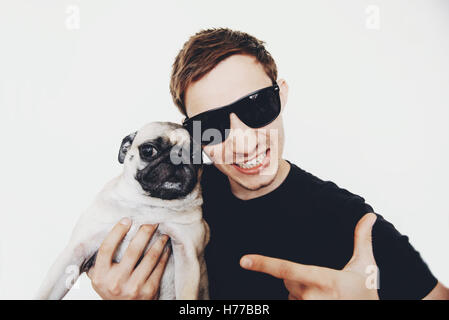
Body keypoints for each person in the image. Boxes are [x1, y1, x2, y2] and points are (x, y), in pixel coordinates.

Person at [87, 28, 449, 300]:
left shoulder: (352, 225)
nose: (243, 140)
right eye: (211, 127)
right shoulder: (171, 197)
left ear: (283, 94)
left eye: (256, 106)